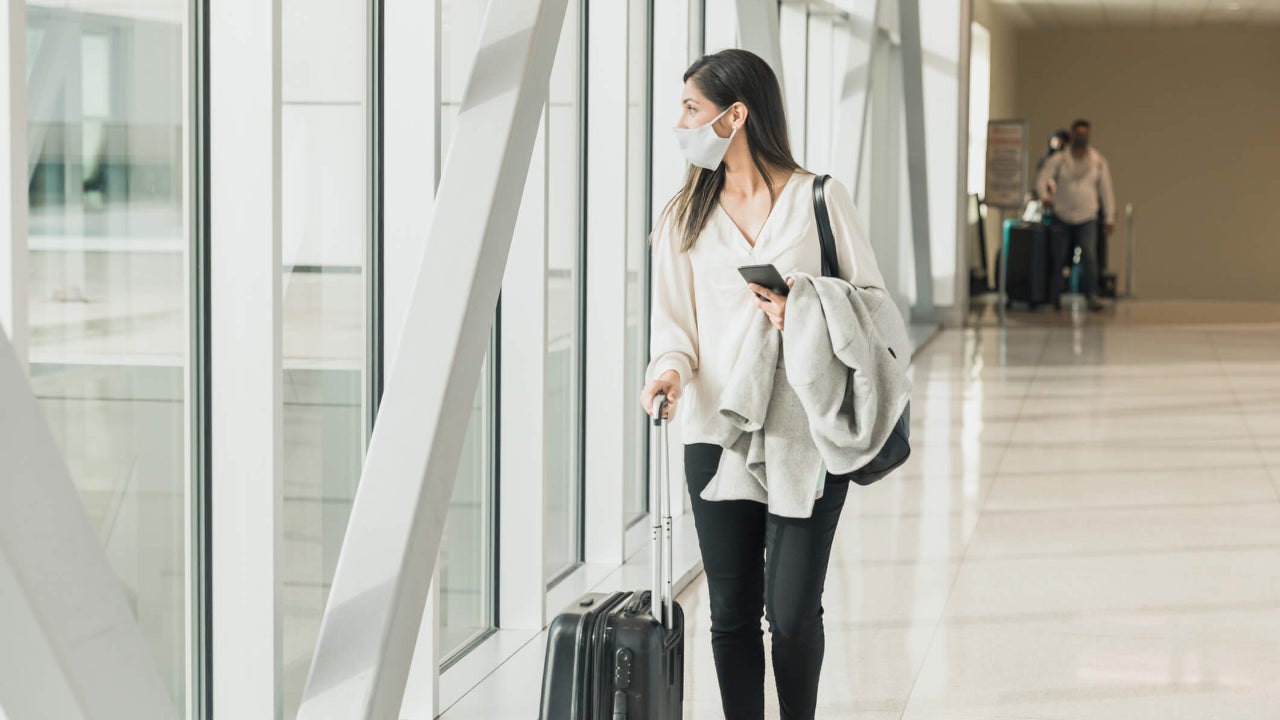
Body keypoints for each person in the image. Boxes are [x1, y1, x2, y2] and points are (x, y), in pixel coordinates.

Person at [638, 49, 888, 720]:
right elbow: (675, 326)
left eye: (692, 108)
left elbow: (874, 303)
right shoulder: (682, 218)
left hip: (809, 431)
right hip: (716, 433)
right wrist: (667, 370)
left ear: (735, 115)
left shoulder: (819, 198)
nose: (681, 122)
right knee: (731, 612)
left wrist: (803, 307)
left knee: (794, 612)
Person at [1035, 118, 1116, 312]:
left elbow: (1106, 190)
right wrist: (1045, 196)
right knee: (1059, 256)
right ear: (1072, 135)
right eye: (1078, 134)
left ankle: (1091, 295)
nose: (1081, 138)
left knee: (1089, 256)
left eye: (1085, 134)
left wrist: (1109, 217)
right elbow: (1041, 180)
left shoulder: (1098, 162)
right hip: (1062, 215)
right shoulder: (1059, 160)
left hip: (1087, 216)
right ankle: (1054, 297)